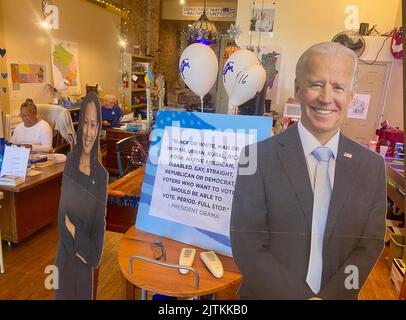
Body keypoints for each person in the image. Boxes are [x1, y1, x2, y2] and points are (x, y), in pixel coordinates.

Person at [230, 42, 386, 300]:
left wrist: (336, 295)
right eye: (316, 84)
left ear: (351, 95)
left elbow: (369, 246)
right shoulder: (256, 158)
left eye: (338, 87)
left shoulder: (371, 167)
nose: (326, 97)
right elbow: (247, 245)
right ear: (297, 89)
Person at [54, 92, 108, 300]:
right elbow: (62, 219)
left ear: (98, 128)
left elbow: (98, 223)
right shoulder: (70, 162)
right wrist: (83, 247)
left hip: (85, 262)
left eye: (93, 124)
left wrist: (86, 249)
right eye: (85, 122)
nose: (88, 132)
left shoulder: (101, 176)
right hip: (66, 257)